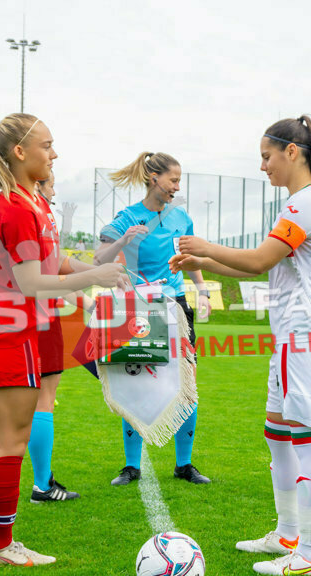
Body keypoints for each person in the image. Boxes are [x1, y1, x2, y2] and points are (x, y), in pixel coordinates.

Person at [0, 113, 127, 567]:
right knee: (11, 440)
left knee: (0, 433)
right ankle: (0, 547)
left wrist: (101, 275)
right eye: (47, 145)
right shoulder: (16, 208)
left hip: (25, 330)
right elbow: (29, 282)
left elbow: (55, 264)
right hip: (10, 329)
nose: (54, 154)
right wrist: (94, 275)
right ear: (20, 152)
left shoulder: (33, 204)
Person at [171, 116, 311, 576]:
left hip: (309, 336)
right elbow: (264, 268)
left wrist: (208, 245)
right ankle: (287, 534)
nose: (263, 166)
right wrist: (202, 260)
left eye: (266, 156)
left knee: (307, 440)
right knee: (277, 434)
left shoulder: (307, 202)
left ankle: (310, 553)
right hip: (292, 336)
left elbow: (262, 257)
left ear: (291, 152)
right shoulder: (298, 203)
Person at [93, 151, 213, 486]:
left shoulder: (180, 217)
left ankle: (184, 464)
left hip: (175, 305)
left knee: (186, 383)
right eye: (173, 179)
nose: (177, 186)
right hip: (137, 308)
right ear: (153, 178)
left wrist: (201, 290)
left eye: (179, 180)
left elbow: (191, 256)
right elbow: (99, 254)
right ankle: (132, 466)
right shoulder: (128, 216)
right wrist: (122, 239)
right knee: (133, 380)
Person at [0, 176, 81, 503]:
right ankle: (42, 484)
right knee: (42, 397)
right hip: (33, 316)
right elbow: (46, 270)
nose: (54, 191)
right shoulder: (32, 212)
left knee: (3, 407)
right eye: (50, 185)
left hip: (16, 313)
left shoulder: (21, 208)